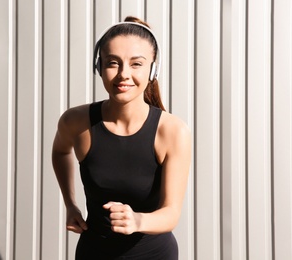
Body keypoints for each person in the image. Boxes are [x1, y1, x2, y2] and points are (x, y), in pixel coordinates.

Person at [52, 16, 191, 260]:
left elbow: (171, 213)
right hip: (93, 253)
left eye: (136, 64)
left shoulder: (172, 131)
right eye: (113, 63)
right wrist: (70, 204)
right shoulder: (75, 122)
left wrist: (137, 220)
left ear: (153, 69)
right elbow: (61, 151)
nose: (123, 74)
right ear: (99, 67)